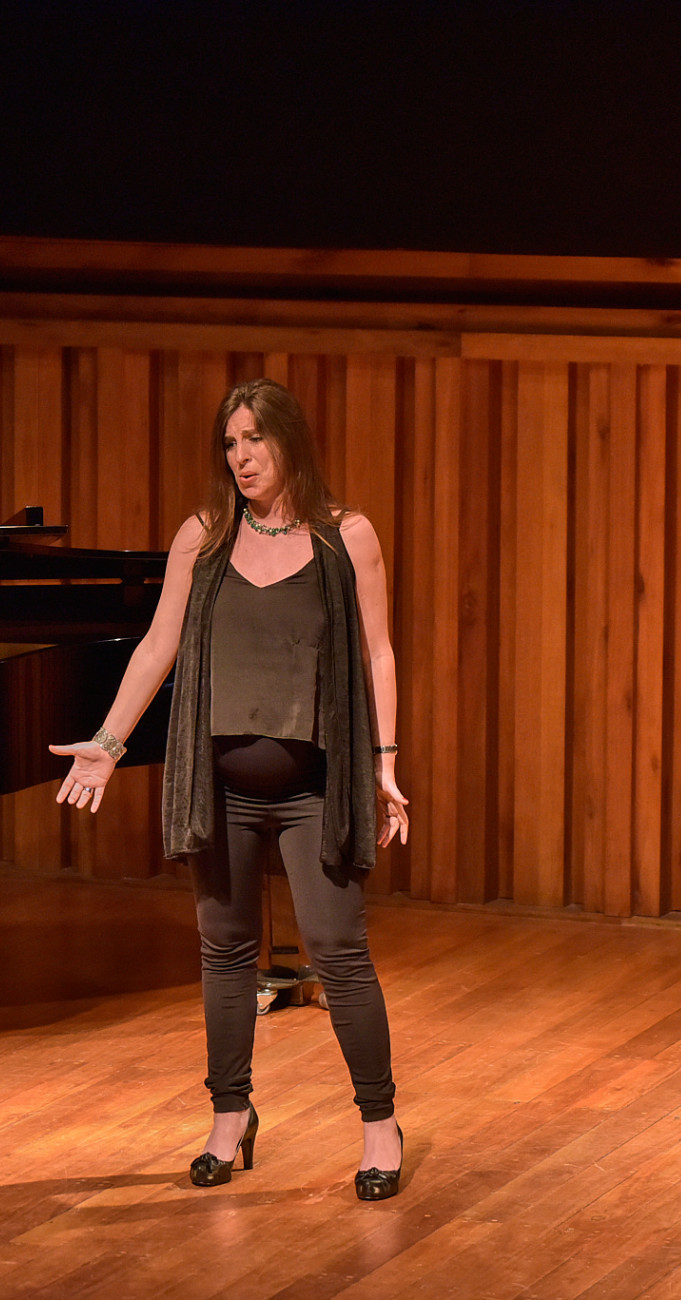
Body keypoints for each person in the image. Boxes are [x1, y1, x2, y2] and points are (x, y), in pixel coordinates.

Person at [51, 379, 411, 1198]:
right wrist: (107, 744)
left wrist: (385, 762)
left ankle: (380, 1125)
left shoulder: (345, 536)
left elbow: (377, 653)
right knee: (225, 954)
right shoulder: (204, 537)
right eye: (230, 443)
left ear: (290, 441)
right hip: (220, 789)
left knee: (339, 952)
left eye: (255, 439)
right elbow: (158, 647)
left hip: (316, 788)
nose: (241, 458)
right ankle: (230, 1114)